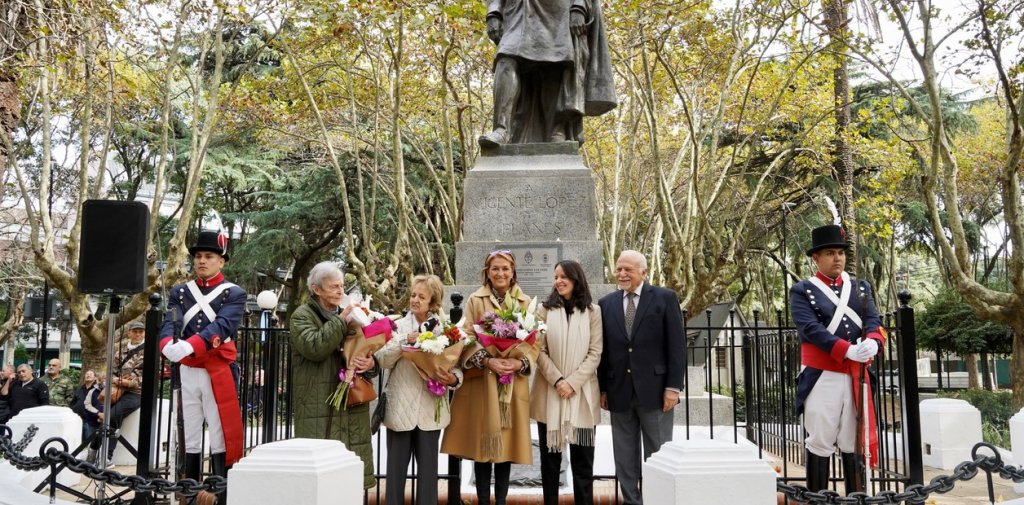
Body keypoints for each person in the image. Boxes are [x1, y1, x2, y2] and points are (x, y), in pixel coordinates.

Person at [790, 224, 885, 494]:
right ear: (816, 258)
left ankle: (857, 499)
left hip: (856, 374)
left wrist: (873, 343)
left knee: (852, 439)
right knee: (820, 438)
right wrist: (846, 349)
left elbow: (873, 321)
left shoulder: (861, 287)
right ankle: (817, 499)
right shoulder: (803, 290)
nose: (838, 258)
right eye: (830, 253)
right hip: (823, 374)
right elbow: (809, 329)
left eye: (840, 253)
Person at [441, 250, 533, 505]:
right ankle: (483, 500)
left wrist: (518, 361)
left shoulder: (525, 302)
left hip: (511, 385)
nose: (500, 273)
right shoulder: (474, 300)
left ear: (513, 271)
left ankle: (501, 501)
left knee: (505, 447)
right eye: (495, 269)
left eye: (505, 268)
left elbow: (536, 342)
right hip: (482, 383)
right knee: (484, 446)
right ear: (487, 271)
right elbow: (466, 336)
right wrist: (487, 359)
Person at [160, 230, 246, 500]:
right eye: (198, 256)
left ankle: (222, 493)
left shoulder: (234, 293)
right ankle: (190, 492)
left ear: (221, 261)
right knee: (190, 429)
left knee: (220, 433)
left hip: (217, 368)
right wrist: (165, 344)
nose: (202, 261)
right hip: (188, 368)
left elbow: (223, 325)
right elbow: (170, 321)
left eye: (209, 256)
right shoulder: (180, 291)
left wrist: (191, 344)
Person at [597, 250, 684, 505]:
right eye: (619, 269)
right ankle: (631, 501)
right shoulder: (606, 303)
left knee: (659, 452)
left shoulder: (664, 298)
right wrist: (603, 388)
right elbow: (604, 351)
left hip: (656, 392)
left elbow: (677, 346)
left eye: (628, 270)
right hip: (619, 391)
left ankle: (658, 500)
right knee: (624, 456)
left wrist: (673, 388)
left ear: (643, 272)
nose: (622, 274)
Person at [289, 261, 379, 489]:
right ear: (316, 289)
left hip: (351, 406)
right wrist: (341, 322)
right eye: (334, 287)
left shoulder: (351, 316)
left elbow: (365, 352)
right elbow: (314, 347)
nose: (341, 292)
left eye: (341, 287)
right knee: (321, 481)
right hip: (319, 406)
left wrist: (370, 363)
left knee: (350, 479)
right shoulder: (302, 316)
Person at [478, 0, 616, 146]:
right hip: (518, 10)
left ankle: (556, 130)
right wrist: (493, 12)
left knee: (555, 65)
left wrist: (579, 6)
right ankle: (502, 129)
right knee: (505, 59)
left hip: (558, 13)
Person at [375, 274, 462, 505]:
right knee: (394, 478)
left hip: (429, 412)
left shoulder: (447, 331)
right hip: (400, 410)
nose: (414, 300)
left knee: (428, 479)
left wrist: (452, 379)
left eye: (421, 296)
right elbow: (382, 359)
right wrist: (406, 340)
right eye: (413, 295)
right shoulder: (396, 326)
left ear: (433, 302)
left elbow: (458, 368)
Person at [530, 260, 603, 505]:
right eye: (556, 277)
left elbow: (595, 352)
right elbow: (538, 351)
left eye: (564, 277)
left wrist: (572, 383)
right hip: (550, 394)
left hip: (581, 395)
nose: (558, 281)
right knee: (550, 464)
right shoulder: (544, 311)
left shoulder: (593, 312)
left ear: (576, 279)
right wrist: (558, 380)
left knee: (583, 464)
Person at [89, 320, 146, 465]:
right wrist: (119, 380)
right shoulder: (120, 351)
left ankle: (97, 451)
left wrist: (126, 382)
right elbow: (109, 372)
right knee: (112, 420)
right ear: (129, 333)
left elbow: (144, 377)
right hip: (117, 391)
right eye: (135, 331)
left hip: (136, 393)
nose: (138, 334)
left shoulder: (149, 350)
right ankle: (102, 456)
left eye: (141, 331)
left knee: (112, 417)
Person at [69, 370, 101, 444]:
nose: (88, 375)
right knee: (77, 442)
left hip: (90, 421)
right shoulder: (79, 389)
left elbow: (98, 405)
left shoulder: (96, 390)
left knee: (89, 442)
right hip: (78, 420)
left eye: (90, 374)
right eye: (87, 374)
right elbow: (73, 402)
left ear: (95, 378)